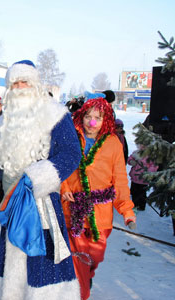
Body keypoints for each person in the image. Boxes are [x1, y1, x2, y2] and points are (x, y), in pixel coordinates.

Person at [0, 60, 82, 299]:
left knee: (42, 266)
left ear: (35, 85)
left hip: (43, 203)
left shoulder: (55, 114)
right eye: (15, 83)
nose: (20, 88)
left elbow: (72, 153)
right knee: (13, 262)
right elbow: (1, 155)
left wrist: (38, 176)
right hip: (11, 202)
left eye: (25, 82)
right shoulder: (6, 118)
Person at [60, 97, 136, 300]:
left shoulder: (113, 143)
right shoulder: (71, 137)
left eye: (97, 118)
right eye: (88, 116)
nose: (91, 122)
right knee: (78, 261)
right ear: (81, 116)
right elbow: (58, 166)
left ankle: (86, 276)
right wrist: (63, 186)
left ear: (106, 121)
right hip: (73, 211)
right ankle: (80, 292)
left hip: (100, 215)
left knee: (95, 256)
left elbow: (120, 180)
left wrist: (126, 210)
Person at [128, 145, 158, 211]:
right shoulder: (137, 153)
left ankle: (141, 205)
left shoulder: (151, 155)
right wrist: (131, 161)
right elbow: (130, 158)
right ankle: (134, 204)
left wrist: (148, 173)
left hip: (143, 179)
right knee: (134, 191)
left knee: (141, 193)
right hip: (135, 177)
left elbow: (154, 166)